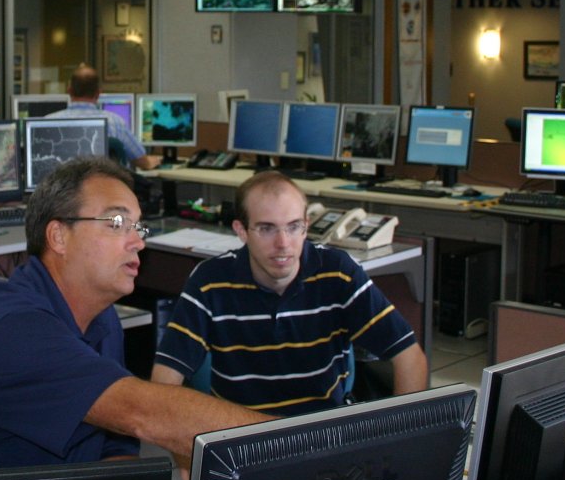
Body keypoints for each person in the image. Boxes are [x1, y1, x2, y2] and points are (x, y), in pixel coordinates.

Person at [0, 157, 267, 474]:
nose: (138, 241)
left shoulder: (102, 317)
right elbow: (142, 414)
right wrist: (300, 443)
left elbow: (114, 446)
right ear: (59, 236)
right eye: (116, 224)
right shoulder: (13, 327)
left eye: (137, 227)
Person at [151, 170, 428, 414]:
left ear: (306, 226)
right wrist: (188, 460)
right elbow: (164, 379)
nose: (283, 243)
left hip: (322, 432)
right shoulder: (209, 281)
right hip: (240, 438)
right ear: (241, 231)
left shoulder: (338, 272)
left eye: (293, 227)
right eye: (266, 229)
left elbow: (409, 357)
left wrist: (400, 439)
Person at [46, 63, 161, 170]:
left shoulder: (48, 123)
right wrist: (151, 162)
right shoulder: (115, 122)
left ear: (69, 91)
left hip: (62, 190)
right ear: (98, 93)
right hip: (103, 190)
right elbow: (142, 162)